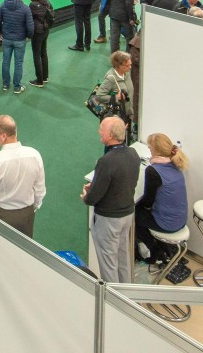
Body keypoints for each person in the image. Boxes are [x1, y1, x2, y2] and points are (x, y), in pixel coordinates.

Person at [80, 116, 140, 284]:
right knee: (123, 259)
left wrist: (87, 196)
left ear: (111, 135)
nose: (99, 132)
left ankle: (113, 303)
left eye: (102, 129)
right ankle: (127, 295)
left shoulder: (106, 161)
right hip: (127, 215)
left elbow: (93, 197)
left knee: (108, 265)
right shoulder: (133, 154)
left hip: (109, 220)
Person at [0, 115, 46, 238]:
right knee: (26, 249)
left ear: (3, 136)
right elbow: (40, 189)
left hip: (1, 214)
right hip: (27, 214)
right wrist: (32, 208)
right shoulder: (35, 155)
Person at [135, 133, 189, 264]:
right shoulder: (176, 164)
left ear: (155, 150)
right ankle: (164, 248)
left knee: (134, 215)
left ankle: (155, 250)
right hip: (181, 220)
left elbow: (148, 201)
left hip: (167, 224)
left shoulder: (152, 171)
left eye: (150, 148)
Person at [0, 0, 34, 94]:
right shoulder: (26, 8)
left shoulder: (3, 5)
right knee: (18, 63)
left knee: (5, 62)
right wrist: (28, 36)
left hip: (6, 38)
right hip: (20, 40)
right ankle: (17, 87)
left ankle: (6, 85)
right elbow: (30, 27)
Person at [93, 51, 134, 123]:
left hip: (128, 114)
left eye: (130, 64)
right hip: (117, 118)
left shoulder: (127, 73)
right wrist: (116, 97)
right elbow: (99, 95)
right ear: (119, 65)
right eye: (127, 65)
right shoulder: (111, 78)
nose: (130, 67)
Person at [28, 0, 53, 87]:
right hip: (45, 31)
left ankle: (39, 81)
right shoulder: (47, 1)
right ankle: (45, 77)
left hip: (37, 33)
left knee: (36, 55)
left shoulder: (33, 5)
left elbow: (29, 19)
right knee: (43, 53)